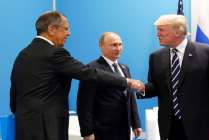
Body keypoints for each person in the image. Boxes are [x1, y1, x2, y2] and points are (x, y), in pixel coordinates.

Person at [9, 11, 140, 140]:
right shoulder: (55, 53)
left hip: (24, 127)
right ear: (51, 29)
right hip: (48, 128)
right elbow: (88, 73)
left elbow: (14, 94)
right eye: (65, 29)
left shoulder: (22, 55)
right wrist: (126, 81)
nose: (69, 33)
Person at [136, 14, 209, 140]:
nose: (157, 34)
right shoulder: (156, 57)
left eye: (161, 30)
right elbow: (156, 88)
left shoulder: (208, 53)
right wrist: (141, 87)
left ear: (177, 31)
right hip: (171, 127)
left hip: (202, 127)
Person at [77, 32, 142, 140]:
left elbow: (130, 97)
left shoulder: (125, 68)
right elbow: (84, 105)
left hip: (124, 129)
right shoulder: (91, 69)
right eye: (114, 45)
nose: (118, 48)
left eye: (120, 44)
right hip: (102, 131)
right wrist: (87, 132)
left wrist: (136, 123)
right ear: (101, 46)